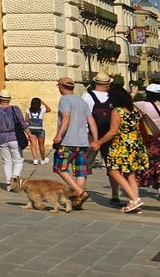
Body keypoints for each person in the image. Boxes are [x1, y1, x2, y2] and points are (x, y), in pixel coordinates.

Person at [94, 84, 148, 214]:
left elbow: (112, 132)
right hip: (135, 144)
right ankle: (134, 202)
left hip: (121, 146)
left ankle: (134, 199)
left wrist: (98, 142)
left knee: (113, 171)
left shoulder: (117, 111)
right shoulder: (134, 109)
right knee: (130, 174)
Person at [54, 75, 97, 208]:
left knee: (60, 168)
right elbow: (91, 121)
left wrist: (59, 135)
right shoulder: (82, 102)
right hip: (83, 141)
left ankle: (79, 192)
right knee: (80, 171)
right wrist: (95, 139)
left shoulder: (65, 100)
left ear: (61, 87)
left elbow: (66, 118)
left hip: (68, 141)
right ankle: (77, 201)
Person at [0, 90, 28, 191]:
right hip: (14, 137)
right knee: (18, 160)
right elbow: (22, 123)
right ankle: (15, 177)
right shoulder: (15, 109)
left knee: (7, 161)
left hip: (2, 138)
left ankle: (9, 183)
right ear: (9, 99)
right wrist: (29, 134)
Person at [85, 74, 117, 202]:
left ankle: (81, 190)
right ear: (108, 84)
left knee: (85, 165)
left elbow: (85, 116)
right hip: (109, 135)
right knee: (112, 166)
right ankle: (115, 194)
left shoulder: (87, 96)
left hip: (92, 136)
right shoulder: (112, 97)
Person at [25, 97, 48, 165]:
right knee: (41, 145)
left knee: (33, 145)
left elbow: (25, 120)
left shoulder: (28, 110)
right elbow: (49, 109)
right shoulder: (42, 110)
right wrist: (43, 103)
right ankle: (43, 159)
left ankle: (35, 159)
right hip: (40, 129)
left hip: (31, 128)